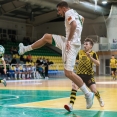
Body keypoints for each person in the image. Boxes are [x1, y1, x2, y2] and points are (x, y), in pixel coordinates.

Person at [18, 1, 94, 109]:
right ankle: (24, 49)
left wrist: (69, 40)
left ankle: (88, 94)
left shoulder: (68, 13)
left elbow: (74, 24)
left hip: (70, 44)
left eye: (58, 10)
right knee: (46, 37)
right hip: (69, 42)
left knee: (68, 73)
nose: (58, 13)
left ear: (63, 8)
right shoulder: (76, 13)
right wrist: (73, 36)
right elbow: (82, 19)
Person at [64, 38, 104, 112]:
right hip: (79, 74)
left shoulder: (93, 53)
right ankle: (71, 105)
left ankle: (100, 99)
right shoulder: (80, 52)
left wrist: (90, 57)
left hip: (89, 75)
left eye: (86, 44)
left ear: (91, 46)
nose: (84, 45)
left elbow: (98, 63)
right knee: (74, 87)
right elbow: (75, 61)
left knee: (94, 90)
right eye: (84, 44)